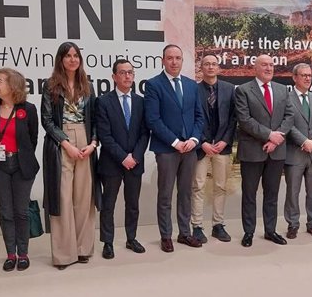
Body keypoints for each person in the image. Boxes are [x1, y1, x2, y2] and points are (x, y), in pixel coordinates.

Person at [41, 42, 100, 269]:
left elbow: (95, 119)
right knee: (63, 198)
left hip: (85, 141)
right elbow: (46, 120)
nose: (72, 59)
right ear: (61, 59)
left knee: (84, 198)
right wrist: (66, 144)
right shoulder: (51, 85)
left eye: (76, 55)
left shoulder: (88, 85)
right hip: (61, 142)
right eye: (68, 56)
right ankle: (64, 254)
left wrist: (93, 143)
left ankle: (83, 248)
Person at [144, 44, 204, 253]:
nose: (174, 62)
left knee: (186, 193)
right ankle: (166, 235)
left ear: (182, 60)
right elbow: (153, 119)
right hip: (167, 149)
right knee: (165, 194)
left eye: (178, 58)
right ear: (163, 60)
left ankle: (184, 233)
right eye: (170, 58)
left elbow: (199, 116)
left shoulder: (191, 85)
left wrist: (195, 139)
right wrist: (175, 142)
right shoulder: (153, 85)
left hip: (190, 149)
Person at [234, 54, 294, 247]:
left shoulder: (283, 90)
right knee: (249, 194)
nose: (268, 68)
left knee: (272, 194)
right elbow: (244, 120)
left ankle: (270, 230)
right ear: (255, 68)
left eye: (271, 65)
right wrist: (269, 135)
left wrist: (276, 139)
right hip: (252, 150)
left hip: (276, 151)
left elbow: (289, 117)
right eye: (264, 65)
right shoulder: (243, 90)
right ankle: (249, 232)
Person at [0, 68, 39, 271]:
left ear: (12, 85)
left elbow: (32, 138)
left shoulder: (28, 109)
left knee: (21, 211)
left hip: (21, 166)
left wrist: (20, 157)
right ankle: (10, 254)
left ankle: (23, 254)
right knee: (6, 211)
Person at [95, 59, 150, 259]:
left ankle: (131, 238)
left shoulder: (141, 101)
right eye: (123, 73)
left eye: (130, 73)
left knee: (133, 203)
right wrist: (123, 157)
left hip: (134, 163)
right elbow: (104, 135)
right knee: (108, 205)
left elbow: (145, 133)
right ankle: (107, 242)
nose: (127, 76)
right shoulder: (102, 102)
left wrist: (134, 156)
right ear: (114, 77)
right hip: (112, 163)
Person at [191, 54, 236, 243]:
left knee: (220, 186)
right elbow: (191, 118)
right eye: (206, 64)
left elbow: (234, 118)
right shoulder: (193, 89)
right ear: (201, 68)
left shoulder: (229, 89)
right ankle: (197, 227)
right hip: (202, 147)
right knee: (198, 186)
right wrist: (203, 142)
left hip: (222, 146)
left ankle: (218, 225)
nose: (210, 67)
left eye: (214, 64)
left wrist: (225, 141)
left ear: (219, 68)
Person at [283, 63, 312, 239]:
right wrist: (304, 141)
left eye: (310, 75)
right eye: (303, 75)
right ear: (295, 78)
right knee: (292, 192)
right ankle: (293, 224)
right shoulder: (286, 98)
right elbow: (288, 124)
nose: (308, 78)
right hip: (295, 153)